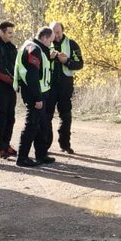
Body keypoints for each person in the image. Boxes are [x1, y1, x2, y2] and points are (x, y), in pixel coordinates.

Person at [14, 27, 57, 167]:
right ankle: (22, 157)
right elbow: (32, 76)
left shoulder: (37, 48)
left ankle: (41, 155)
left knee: (42, 125)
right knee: (31, 125)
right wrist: (38, 98)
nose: (50, 44)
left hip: (41, 93)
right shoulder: (34, 49)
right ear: (44, 38)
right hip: (34, 94)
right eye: (50, 41)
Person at [46, 22, 84, 154]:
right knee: (46, 117)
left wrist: (67, 61)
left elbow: (80, 64)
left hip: (65, 86)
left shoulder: (72, 44)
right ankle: (44, 146)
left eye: (58, 32)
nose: (56, 35)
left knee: (66, 116)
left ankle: (65, 144)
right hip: (49, 86)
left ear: (63, 31)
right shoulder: (45, 44)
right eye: (53, 32)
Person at [0, 20, 19, 159]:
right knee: (0, 118)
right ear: (0, 32)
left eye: (12, 33)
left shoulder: (12, 47)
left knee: (10, 118)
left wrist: (17, 80)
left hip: (11, 87)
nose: (11, 35)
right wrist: (10, 79)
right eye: (9, 33)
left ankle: (6, 144)